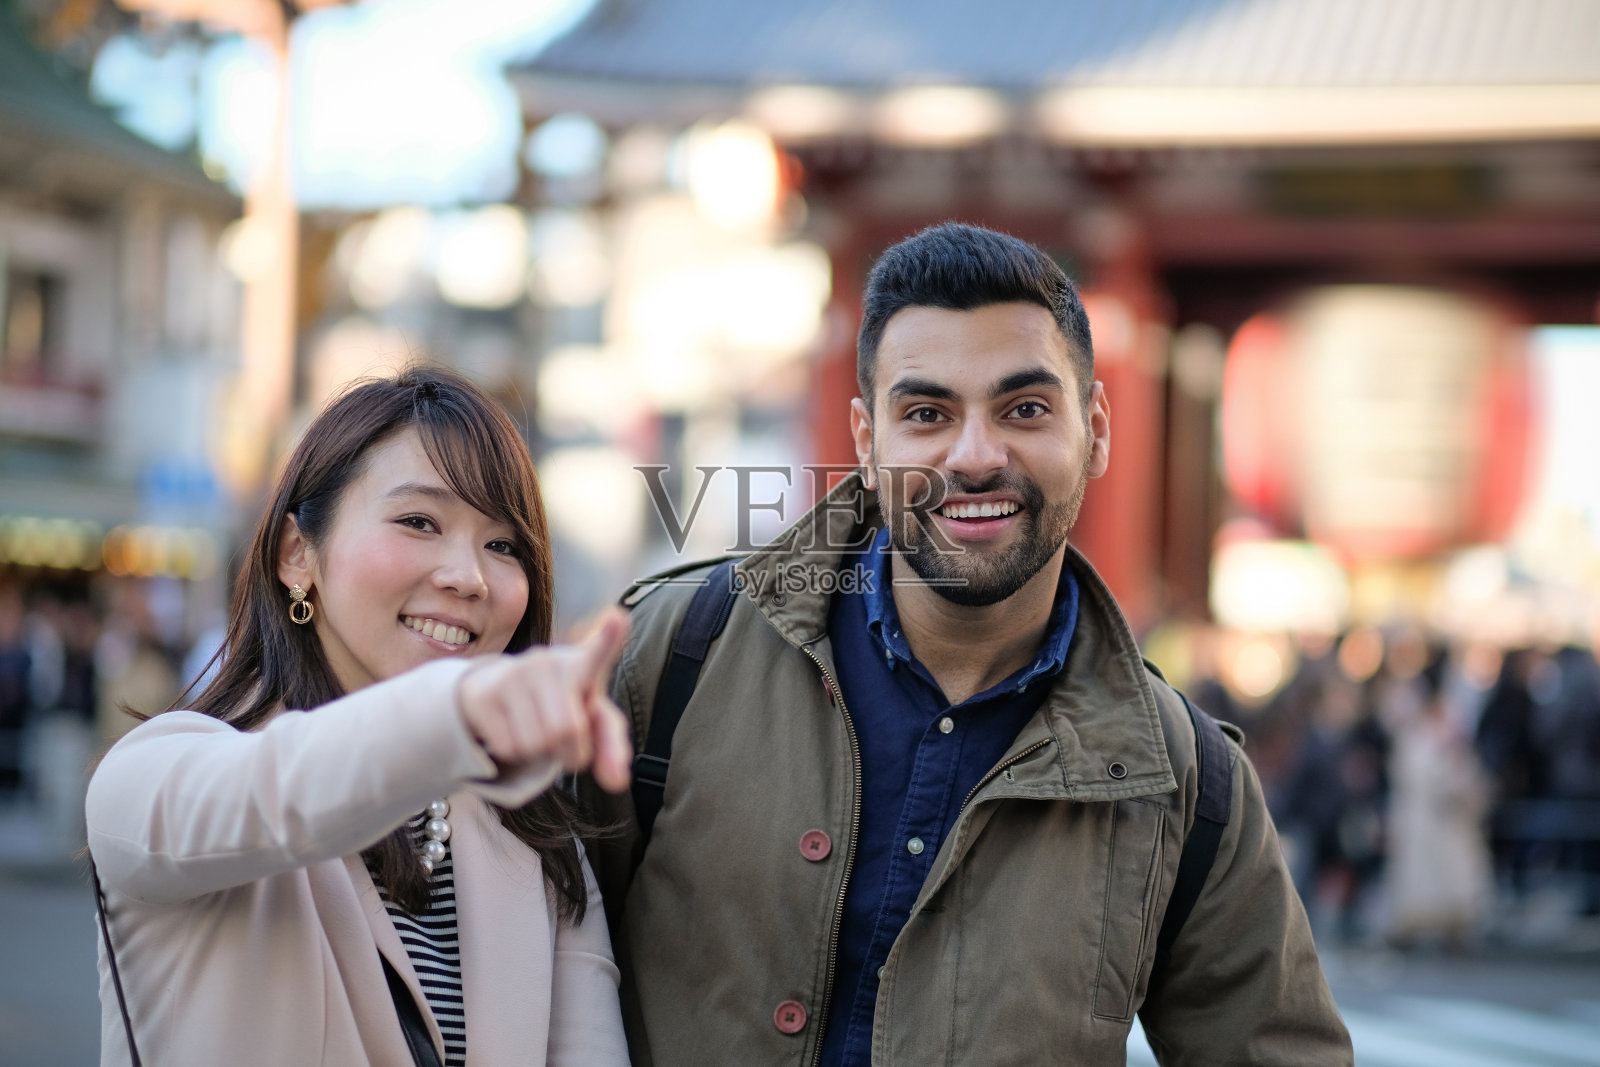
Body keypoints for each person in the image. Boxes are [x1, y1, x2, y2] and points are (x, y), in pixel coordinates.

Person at [584, 224, 1352, 1065]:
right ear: (867, 443)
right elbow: (517, 949)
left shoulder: (1187, 782)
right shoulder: (682, 655)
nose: (976, 456)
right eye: (926, 413)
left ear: (1095, 430)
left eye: (1025, 408)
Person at [86, 366, 633, 1067]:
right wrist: (459, 711)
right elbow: (281, 790)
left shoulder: (541, 845)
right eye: (419, 521)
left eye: (504, 545)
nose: (468, 575)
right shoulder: (156, 776)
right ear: (296, 554)